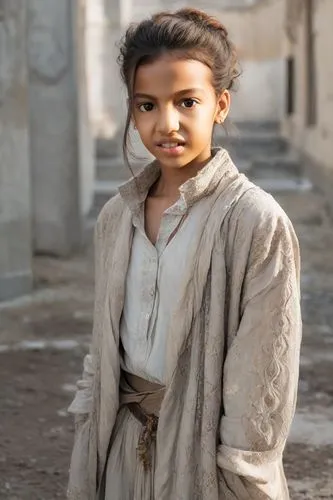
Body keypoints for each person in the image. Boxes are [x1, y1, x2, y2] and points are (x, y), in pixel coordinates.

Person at [67, 8, 302, 500]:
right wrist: (89, 441)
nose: (165, 124)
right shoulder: (117, 216)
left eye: (186, 102)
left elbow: (262, 381)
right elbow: (104, 344)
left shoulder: (255, 221)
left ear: (220, 105)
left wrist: (237, 476)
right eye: (147, 105)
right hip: (122, 451)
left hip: (205, 463)